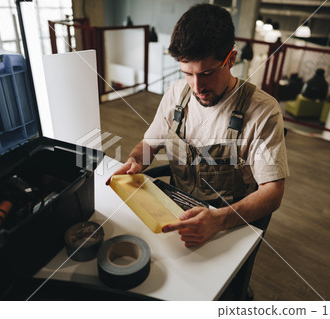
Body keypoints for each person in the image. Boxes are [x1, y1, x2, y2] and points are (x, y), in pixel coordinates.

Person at [107, 4, 289, 249]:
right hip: (176, 209)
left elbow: (272, 192)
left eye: (207, 73)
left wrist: (219, 220)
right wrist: (135, 161)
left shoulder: (263, 111)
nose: (196, 87)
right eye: (187, 73)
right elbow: (149, 143)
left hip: (228, 221)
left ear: (231, 59)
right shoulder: (176, 94)